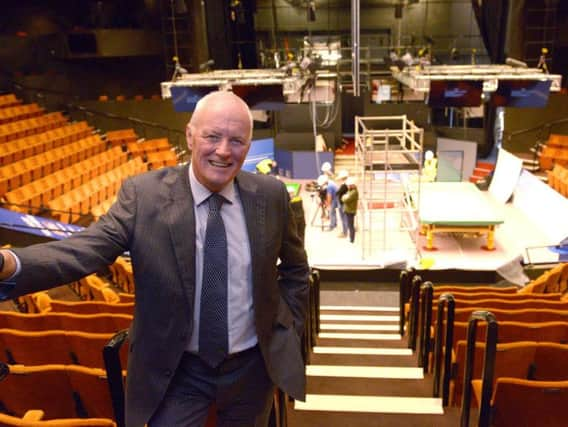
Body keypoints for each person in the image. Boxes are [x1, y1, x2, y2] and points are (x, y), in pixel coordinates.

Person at [0, 91, 310, 427]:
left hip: (252, 368)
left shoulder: (270, 195)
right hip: (177, 370)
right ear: (190, 135)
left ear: (248, 146)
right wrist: (8, 263)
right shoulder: (143, 195)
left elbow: (295, 268)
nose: (223, 150)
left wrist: (288, 325)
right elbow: (86, 248)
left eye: (237, 140)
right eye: (212, 136)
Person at [341, 177, 359, 243]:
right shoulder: (350, 191)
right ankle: (351, 238)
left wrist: (344, 197)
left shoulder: (354, 192)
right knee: (350, 225)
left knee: (351, 226)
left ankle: (352, 239)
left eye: (349, 185)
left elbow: (345, 199)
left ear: (352, 185)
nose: (348, 186)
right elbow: (344, 197)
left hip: (350, 211)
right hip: (348, 210)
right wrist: (344, 197)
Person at [335, 169, 349, 238]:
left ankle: (345, 232)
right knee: (344, 218)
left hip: (343, 204)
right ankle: (344, 231)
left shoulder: (344, 185)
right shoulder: (345, 184)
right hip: (344, 203)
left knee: (344, 218)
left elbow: (338, 192)